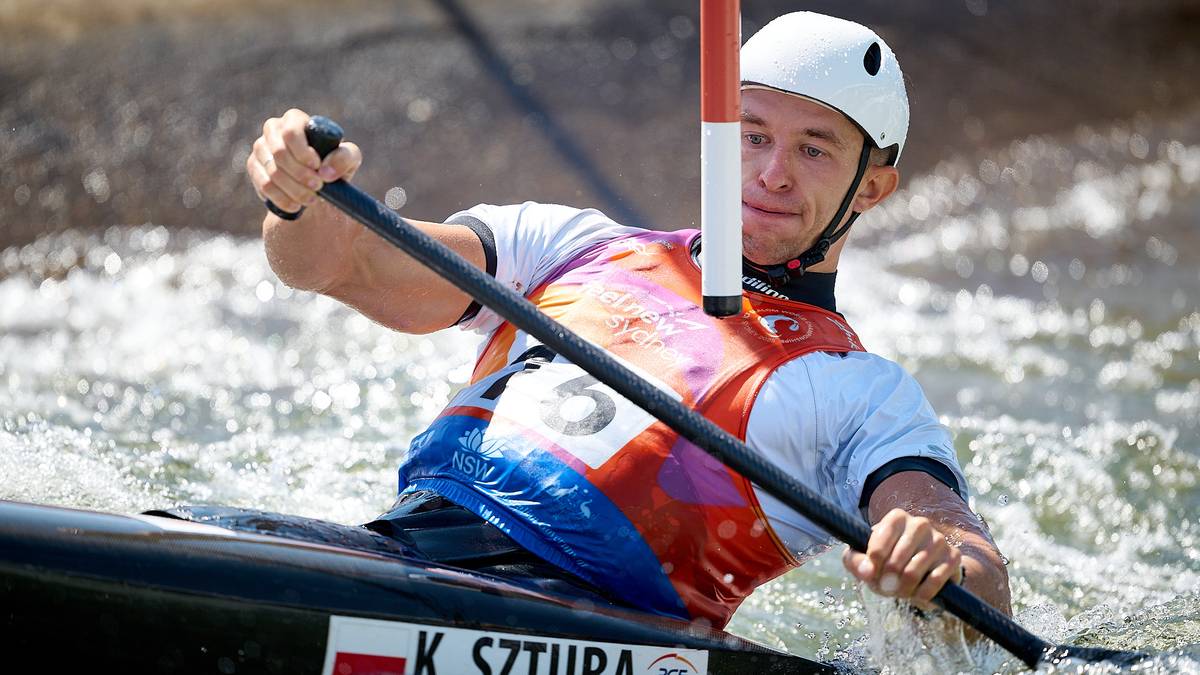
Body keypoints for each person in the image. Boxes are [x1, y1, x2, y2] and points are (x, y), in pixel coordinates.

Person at [247, 11, 1012, 629]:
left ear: (872, 187)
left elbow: (968, 559)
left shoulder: (864, 393)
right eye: (752, 135)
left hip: (587, 620)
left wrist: (936, 559)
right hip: (400, 550)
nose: (772, 172)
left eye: (813, 149)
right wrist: (296, 199)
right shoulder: (569, 245)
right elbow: (335, 264)